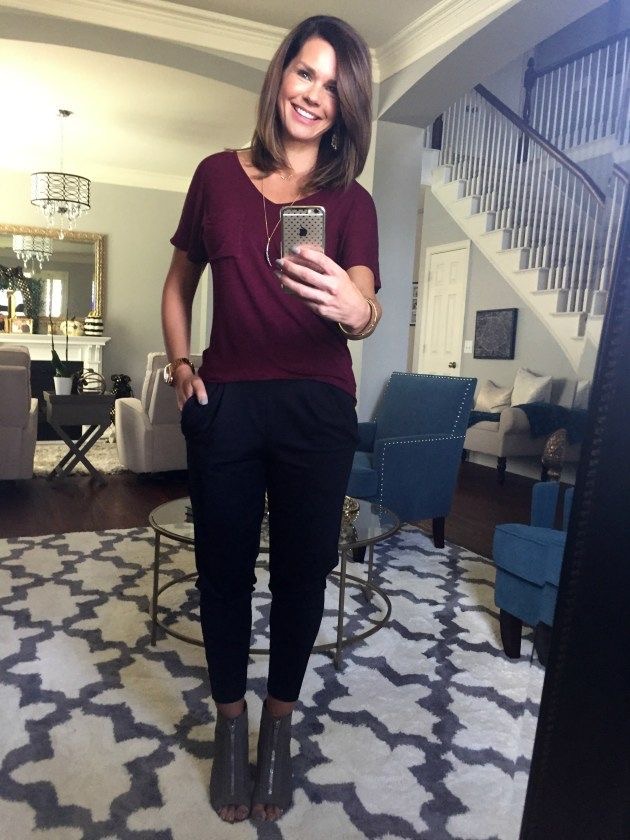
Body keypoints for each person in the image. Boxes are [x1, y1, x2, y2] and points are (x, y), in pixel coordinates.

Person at [161, 15, 381, 824]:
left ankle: (278, 726)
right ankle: (230, 724)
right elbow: (178, 283)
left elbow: (364, 302)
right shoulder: (215, 177)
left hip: (317, 408)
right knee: (221, 574)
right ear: (281, 74)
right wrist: (180, 366)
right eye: (305, 72)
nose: (315, 94)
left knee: (301, 576)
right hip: (226, 402)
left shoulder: (351, 202)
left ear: (347, 107)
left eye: (334, 86)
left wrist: (359, 309)